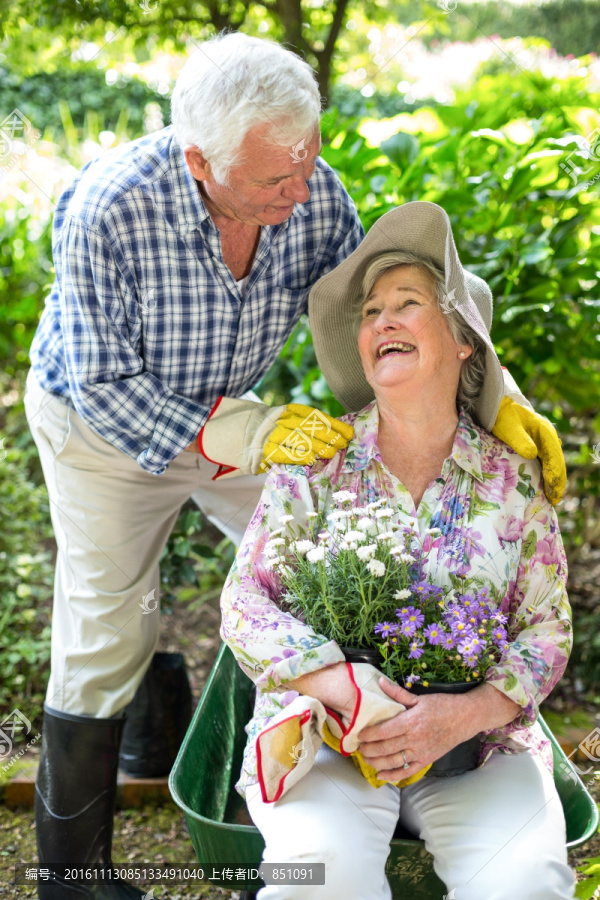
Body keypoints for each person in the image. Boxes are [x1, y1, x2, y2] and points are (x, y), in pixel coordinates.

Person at [220, 201, 575, 899]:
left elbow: (548, 627)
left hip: (475, 750)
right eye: (371, 312)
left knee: (526, 880)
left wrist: (463, 713)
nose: (381, 320)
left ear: (462, 339)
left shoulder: (511, 474)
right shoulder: (318, 459)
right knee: (316, 879)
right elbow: (243, 604)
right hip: (329, 742)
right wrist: (339, 686)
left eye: (406, 303)